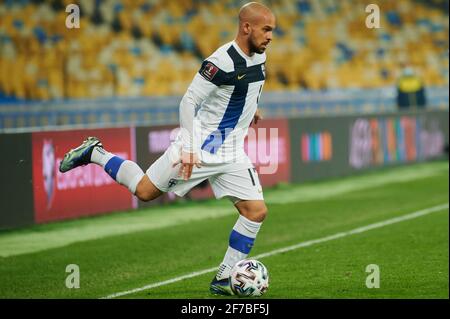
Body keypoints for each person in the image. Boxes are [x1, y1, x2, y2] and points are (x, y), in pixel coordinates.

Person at [59, 2, 276, 296]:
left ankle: (224, 279)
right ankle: (95, 153)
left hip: (232, 152)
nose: (270, 36)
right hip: (201, 147)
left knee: (256, 212)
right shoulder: (221, 61)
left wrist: (251, 111)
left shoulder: (259, 57)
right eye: (266, 29)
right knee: (145, 191)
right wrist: (188, 147)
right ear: (246, 27)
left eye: (272, 30)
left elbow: (245, 89)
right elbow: (188, 101)